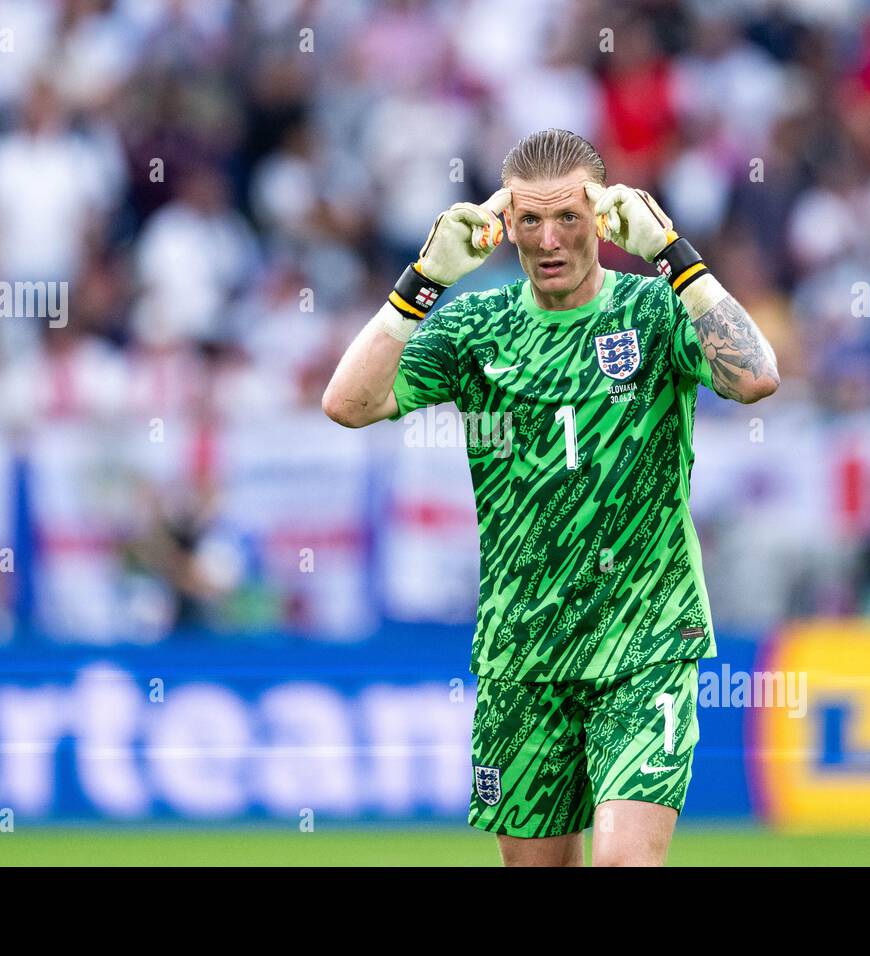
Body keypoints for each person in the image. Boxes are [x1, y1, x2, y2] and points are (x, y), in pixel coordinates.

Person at [322, 129, 779, 866]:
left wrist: (674, 254)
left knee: (624, 862)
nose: (548, 238)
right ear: (504, 227)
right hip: (522, 650)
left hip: (646, 639)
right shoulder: (476, 327)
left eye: (568, 216)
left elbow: (755, 376)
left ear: (601, 218)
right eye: (528, 220)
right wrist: (424, 280)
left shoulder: (655, 312)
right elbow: (348, 402)